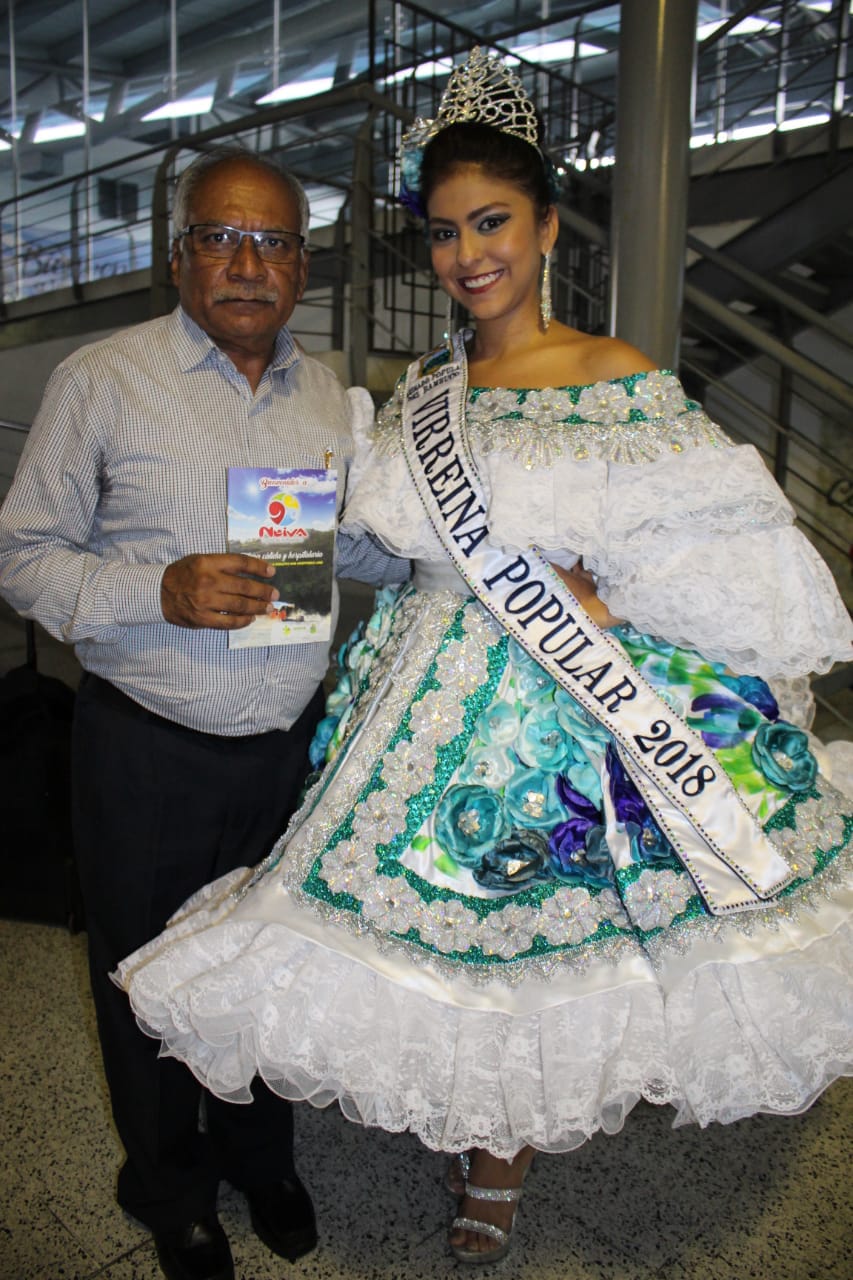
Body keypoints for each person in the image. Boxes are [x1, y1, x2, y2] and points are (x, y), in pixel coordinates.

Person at [115, 50, 852, 1268]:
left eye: (493, 222)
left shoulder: (615, 377)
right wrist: (262, 551)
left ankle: (497, 1160)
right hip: (419, 690)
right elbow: (386, 542)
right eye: (447, 230)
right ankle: (470, 1128)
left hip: (560, 704)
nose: (468, 255)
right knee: (435, 933)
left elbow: (720, 548)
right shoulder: (421, 391)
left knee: (528, 933)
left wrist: (611, 590)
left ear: (548, 225)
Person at [0, 145, 406, 1280]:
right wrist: (154, 589)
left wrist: (463, 532)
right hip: (145, 748)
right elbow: (22, 553)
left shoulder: (331, 394)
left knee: (272, 962)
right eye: (221, 238)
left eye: (270, 242)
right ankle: (169, 1183)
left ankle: (259, 1153)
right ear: (179, 256)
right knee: (143, 973)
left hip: (287, 747)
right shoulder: (102, 379)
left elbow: (357, 548)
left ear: (302, 265)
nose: (245, 263)